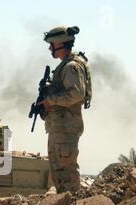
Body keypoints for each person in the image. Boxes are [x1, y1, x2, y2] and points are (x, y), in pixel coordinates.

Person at [38, 26, 92, 193]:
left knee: (66, 172)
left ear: (60, 44)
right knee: (59, 171)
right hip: (60, 127)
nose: (50, 48)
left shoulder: (71, 67)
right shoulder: (66, 65)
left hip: (65, 127)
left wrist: (50, 100)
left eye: (52, 44)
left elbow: (77, 94)